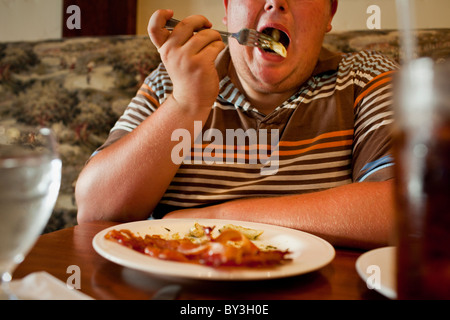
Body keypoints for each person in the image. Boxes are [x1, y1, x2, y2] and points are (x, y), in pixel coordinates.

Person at [76, 0, 398, 249]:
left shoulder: (366, 77)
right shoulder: (171, 83)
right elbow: (95, 211)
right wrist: (186, 104)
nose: (275, 2)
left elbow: (408, 210)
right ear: (229, 9)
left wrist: (216, 219)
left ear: (330, 12)